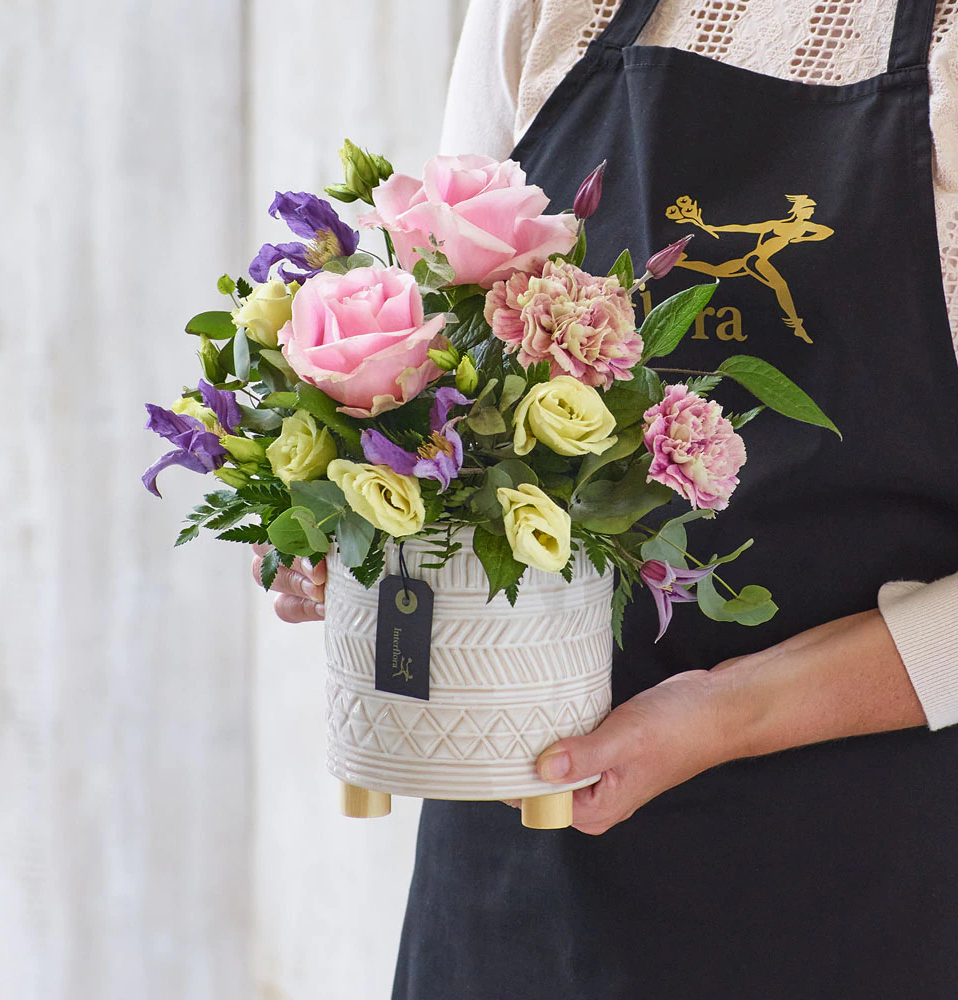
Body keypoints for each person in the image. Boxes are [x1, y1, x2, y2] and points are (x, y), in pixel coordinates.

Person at [254, 1, 958, 995]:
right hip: (513, 876)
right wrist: (353, 523)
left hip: (857, 885)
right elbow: (448, 356)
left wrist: (726, 713)